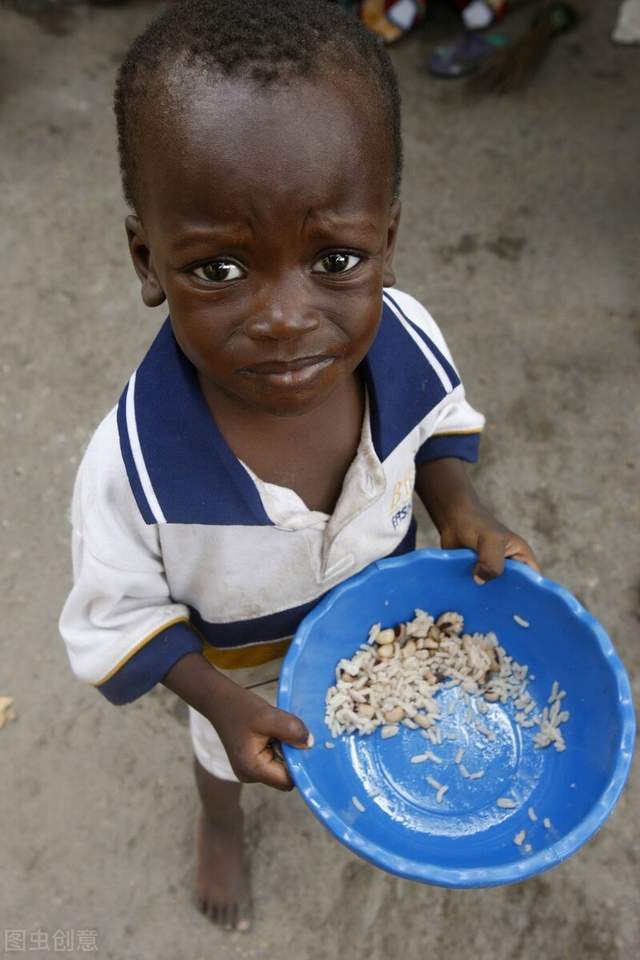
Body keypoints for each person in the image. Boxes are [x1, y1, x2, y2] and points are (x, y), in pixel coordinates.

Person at [59, 0, 539, 934]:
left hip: (383, 633)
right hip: (245, 672)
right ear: (146, 259)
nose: (284, 316)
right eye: (218, 270)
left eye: (336, 257)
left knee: (386, 724)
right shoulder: (135, 471)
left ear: (388, 244)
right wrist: (220, 704)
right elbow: (119, 617)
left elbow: (440, 425)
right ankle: (219, 823)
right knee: (221, 759)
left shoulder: (407, 339)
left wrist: (461, 507)